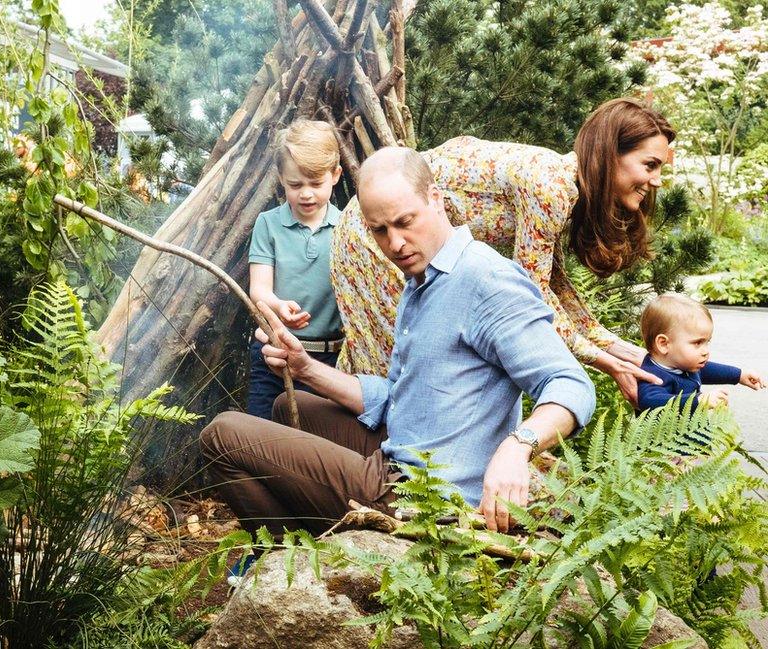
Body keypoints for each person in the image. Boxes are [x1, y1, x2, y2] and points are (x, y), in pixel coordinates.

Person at [201, 148, 595, 585]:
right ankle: (310, 546)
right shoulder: (422, 281)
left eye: (405, 222)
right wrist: (305, 367)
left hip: (424, 499)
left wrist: (518, 446)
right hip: (407, 448)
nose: (396, 244)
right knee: (286, 408)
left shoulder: (486, 280)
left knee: (222, 435)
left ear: (437, 199)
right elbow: (403, 395)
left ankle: (294, 560)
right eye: (380, 230)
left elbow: (570, 384)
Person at [331, 97, 674, 406]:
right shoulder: (550, 185)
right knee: (401, 367)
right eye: (650, 164)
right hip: (372, 232)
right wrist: (603, 361)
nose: (656, 179)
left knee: (390, 359)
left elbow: (554, 285)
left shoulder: (562, 184)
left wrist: (619, 349)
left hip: (388, 231)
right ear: (611, 153)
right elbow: (533, 297)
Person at [246, 120, 344, 419]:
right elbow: (259, 289)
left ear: (336, 175)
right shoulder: (268, 224)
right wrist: (278, 306)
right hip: (274, 353)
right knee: (262, 438)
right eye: (295, 185)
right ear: (281, 179)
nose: (306, 194)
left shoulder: (347, 228)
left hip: (329, 359)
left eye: (316, 184)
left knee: (315, 446)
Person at [637, 293, 764, 413]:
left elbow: (706, 370)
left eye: (707, 342)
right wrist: (698, 401)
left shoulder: (684, 365)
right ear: (663, 344)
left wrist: (739, 375)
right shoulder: (653, 375)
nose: (706, 351)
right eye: (697, 343)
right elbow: (649, 402)